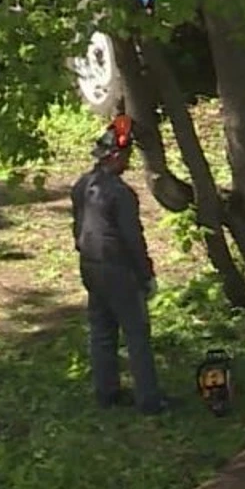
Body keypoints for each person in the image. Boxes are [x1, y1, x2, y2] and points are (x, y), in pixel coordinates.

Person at [70, 114, 170, 414]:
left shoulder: (81, 185)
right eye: (125, 157)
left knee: (101, 330)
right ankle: (150, 400)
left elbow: (77, 227)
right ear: (114, 156)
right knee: (136, 333)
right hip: (118, 269)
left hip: (90, 264)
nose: (127, 163)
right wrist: (147, 274)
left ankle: (107, 392)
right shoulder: (120, 194)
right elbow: (132, 239)